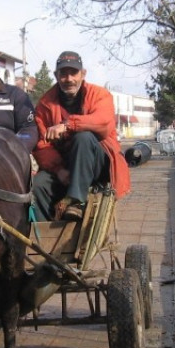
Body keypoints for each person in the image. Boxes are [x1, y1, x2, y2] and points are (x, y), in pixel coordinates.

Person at [31, 51, 130, 221]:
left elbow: (103, 123)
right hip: (65, 164)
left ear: (83, 74)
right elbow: (42, 144)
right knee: (38, 184)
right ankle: (42, 237)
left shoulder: (99, 95)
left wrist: (68, 125)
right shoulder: (45, 104)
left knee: (83, 137)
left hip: (97, 162)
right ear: (56, 75)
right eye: (63, 74)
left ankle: (77, 201)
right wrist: (59, 170)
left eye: (73, 73)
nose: (69, 79)